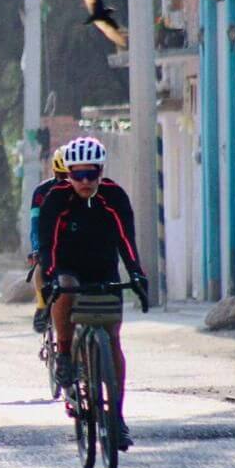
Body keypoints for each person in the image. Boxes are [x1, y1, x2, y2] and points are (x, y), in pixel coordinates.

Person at [37, 136, 147, 451]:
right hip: (68, 267)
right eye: (78, 175)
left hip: (103, 268)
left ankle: (117, 418)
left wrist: (137, 273)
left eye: (92, 175)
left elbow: (126, 239)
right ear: (68, 175)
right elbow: (49, 245)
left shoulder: (114, 196)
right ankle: (64, 354)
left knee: (112, 339)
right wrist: (50, 276)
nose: (85, 182)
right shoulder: (56, 200)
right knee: (67, 288)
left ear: (101, 172)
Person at [28, 146, 69, 333]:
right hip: (49, 241)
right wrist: (37, 248)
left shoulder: (87, 188)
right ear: (54, 171)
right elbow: (35, 223)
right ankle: (42, 305)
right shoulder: (41, 192)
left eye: (69, 176)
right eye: (61, 176)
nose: (66, 181)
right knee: (40, 266)